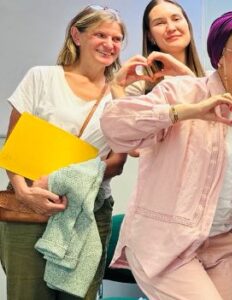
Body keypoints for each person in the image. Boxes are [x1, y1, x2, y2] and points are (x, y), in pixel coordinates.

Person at [100, 11, 232, 299]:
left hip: (225, 246)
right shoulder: (181, 91)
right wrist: (190, 111)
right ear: (219, 56)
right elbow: (115, 126)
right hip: (166, 242)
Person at [0, 5, 127, 299]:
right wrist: (23, 192)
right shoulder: (41, 78)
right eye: (100, 34)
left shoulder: (120, 95)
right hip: (29, 207)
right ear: (76, 35)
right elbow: (14, 147)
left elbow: (118, 162)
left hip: (89, 210)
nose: (110, 44)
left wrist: (64, 177)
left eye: (117, 38)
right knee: (27, 294)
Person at [121, 0, 205, 97]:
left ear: (188, 25)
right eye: (160, 23)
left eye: (176, 19)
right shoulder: (139, 84)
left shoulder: (212, 79)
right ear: (150, 36)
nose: (171, 28)